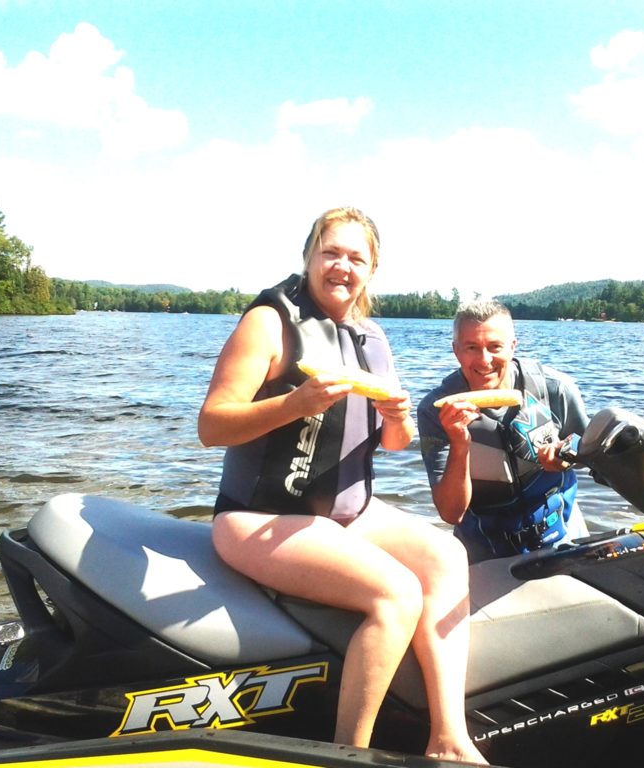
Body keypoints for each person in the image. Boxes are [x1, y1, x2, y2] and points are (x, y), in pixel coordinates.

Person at [199, 207, 484, 763]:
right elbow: (212, 424)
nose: (342, 267)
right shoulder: (269, 323)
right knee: (396, 593)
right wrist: (293, 403)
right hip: (259, 516)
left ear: (372, 270)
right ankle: (347, 754)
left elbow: (394, 443)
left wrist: (399, 416)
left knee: (448, 556)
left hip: (350, 513)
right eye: (332, 252)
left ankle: (449, 738)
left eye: (357, 257)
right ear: (309, 256)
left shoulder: (371, 338)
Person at [417, 299, 591, 563]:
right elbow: (451, 513)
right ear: (456, 351)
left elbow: (593, 452)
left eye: (495, 347)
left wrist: (566, 452)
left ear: (512, 346)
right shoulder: (435, 410)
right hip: (485, 552)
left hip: (563, 536)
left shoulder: (555, 388)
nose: (484, 360)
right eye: (472, 348)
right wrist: (460, 444)